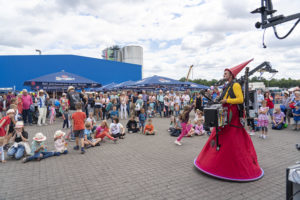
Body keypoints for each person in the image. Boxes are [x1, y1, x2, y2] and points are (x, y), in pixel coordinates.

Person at [194, 60, 263, 181]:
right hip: (224, 114)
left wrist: (227, 101)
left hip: (232, 115)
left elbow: (240, 99)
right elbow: (222, 98)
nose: (224, 75)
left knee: (231, 136)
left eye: (226, 73)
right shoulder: (226, 86)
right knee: (220, 134)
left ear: (231, 75)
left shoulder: (235, 85)